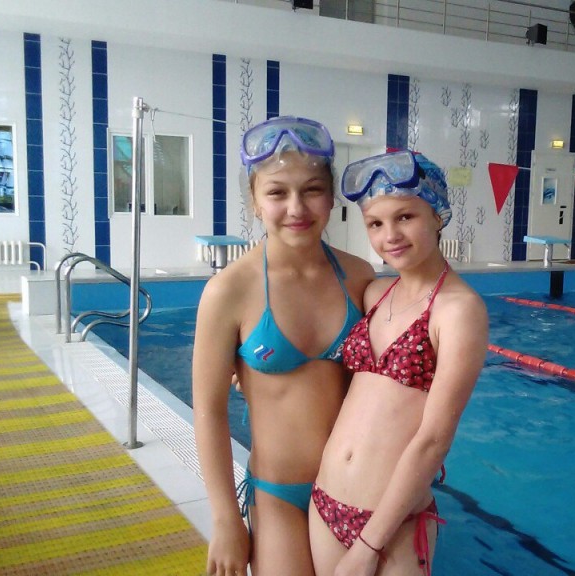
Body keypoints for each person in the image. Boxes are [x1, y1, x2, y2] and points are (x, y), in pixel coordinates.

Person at [193, 116, 374, 576]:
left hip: (354, 488)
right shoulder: (229, 291)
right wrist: (226, 519)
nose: (297, 207)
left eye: (312, 190)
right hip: (279, 495)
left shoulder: (359, 277)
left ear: (331, 198)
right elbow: (209, 412)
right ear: (255, 201)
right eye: (277, 192)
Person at [309, 150, 488, 576]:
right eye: (375, 223)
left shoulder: (458, 310)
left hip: (393, 526)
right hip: (325, 502)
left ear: (437, 216)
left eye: (405, 217)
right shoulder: (375, 294)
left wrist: (368, 545)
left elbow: (433, 440)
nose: (390, 235)